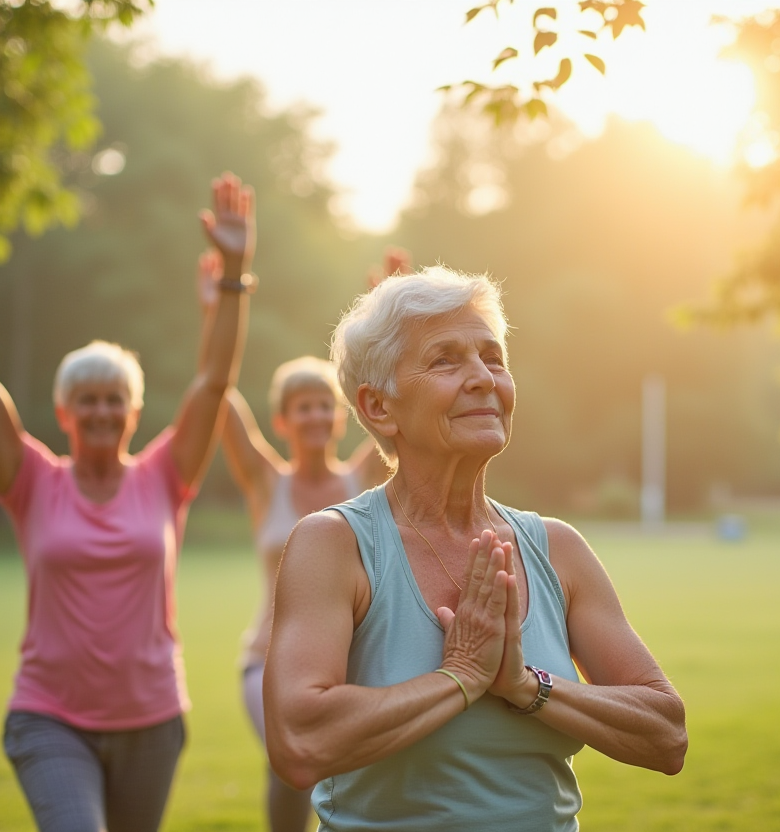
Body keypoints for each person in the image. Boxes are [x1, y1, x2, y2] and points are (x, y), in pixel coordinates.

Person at [264, 266, 688, 830]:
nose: (484, 378)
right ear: (377, 407)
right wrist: (459, 676)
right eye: (445, 359)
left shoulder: (557, 548)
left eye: (493, 358)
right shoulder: (334, 544)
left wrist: (524, 685)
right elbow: (300, 740)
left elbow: (666, 735)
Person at [0, 167, 256, 832]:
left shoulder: (165, 476)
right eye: (89, 399)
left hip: (153, 720)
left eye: (116, 398)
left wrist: (232, 276)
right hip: (49, 716)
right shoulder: (31, 481)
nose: (103, 410)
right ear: (65, 412)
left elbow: (215, 380)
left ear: (134, 412)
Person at [194, 249, 395, 832]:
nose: (312, 417)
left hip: (357, 659)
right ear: (281, 421)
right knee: (300, 767)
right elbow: (216, 397)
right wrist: (215, 314)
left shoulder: (365, 475)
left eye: (323, 407)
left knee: (339, 777)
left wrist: (388, 314)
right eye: (300, 408)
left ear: (342, 417)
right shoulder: (265, 482)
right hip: (268, 664)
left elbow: (400, 396)